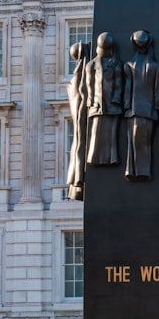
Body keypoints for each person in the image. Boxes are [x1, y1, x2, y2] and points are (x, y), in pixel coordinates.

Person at [123, 29, 159, 180]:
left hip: (133, 110)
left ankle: (135, 170)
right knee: (143, 142)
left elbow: (128, 90)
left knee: (133, 142)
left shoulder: (128, 66)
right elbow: (158, 93)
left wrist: (127, 107)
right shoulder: (157, 67)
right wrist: (158, 109)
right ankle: (141, 171)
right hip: (148, 111)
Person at [85, 32, 124, 166]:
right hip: (97, 105)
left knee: (111, 135)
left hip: (112, 105)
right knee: (96, 133)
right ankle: (94, 158)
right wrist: (91, 102)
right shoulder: (90, 65)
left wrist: (116, 99)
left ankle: (112, 159)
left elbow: (119, 84)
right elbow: (89, 85)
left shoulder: (116, 64)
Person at [65, 41, 88, 200]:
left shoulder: (75, 79)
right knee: (80, 144)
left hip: (81, 122)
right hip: (82, 120)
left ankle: (78, 180)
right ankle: (78, 179)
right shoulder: (79, 81)